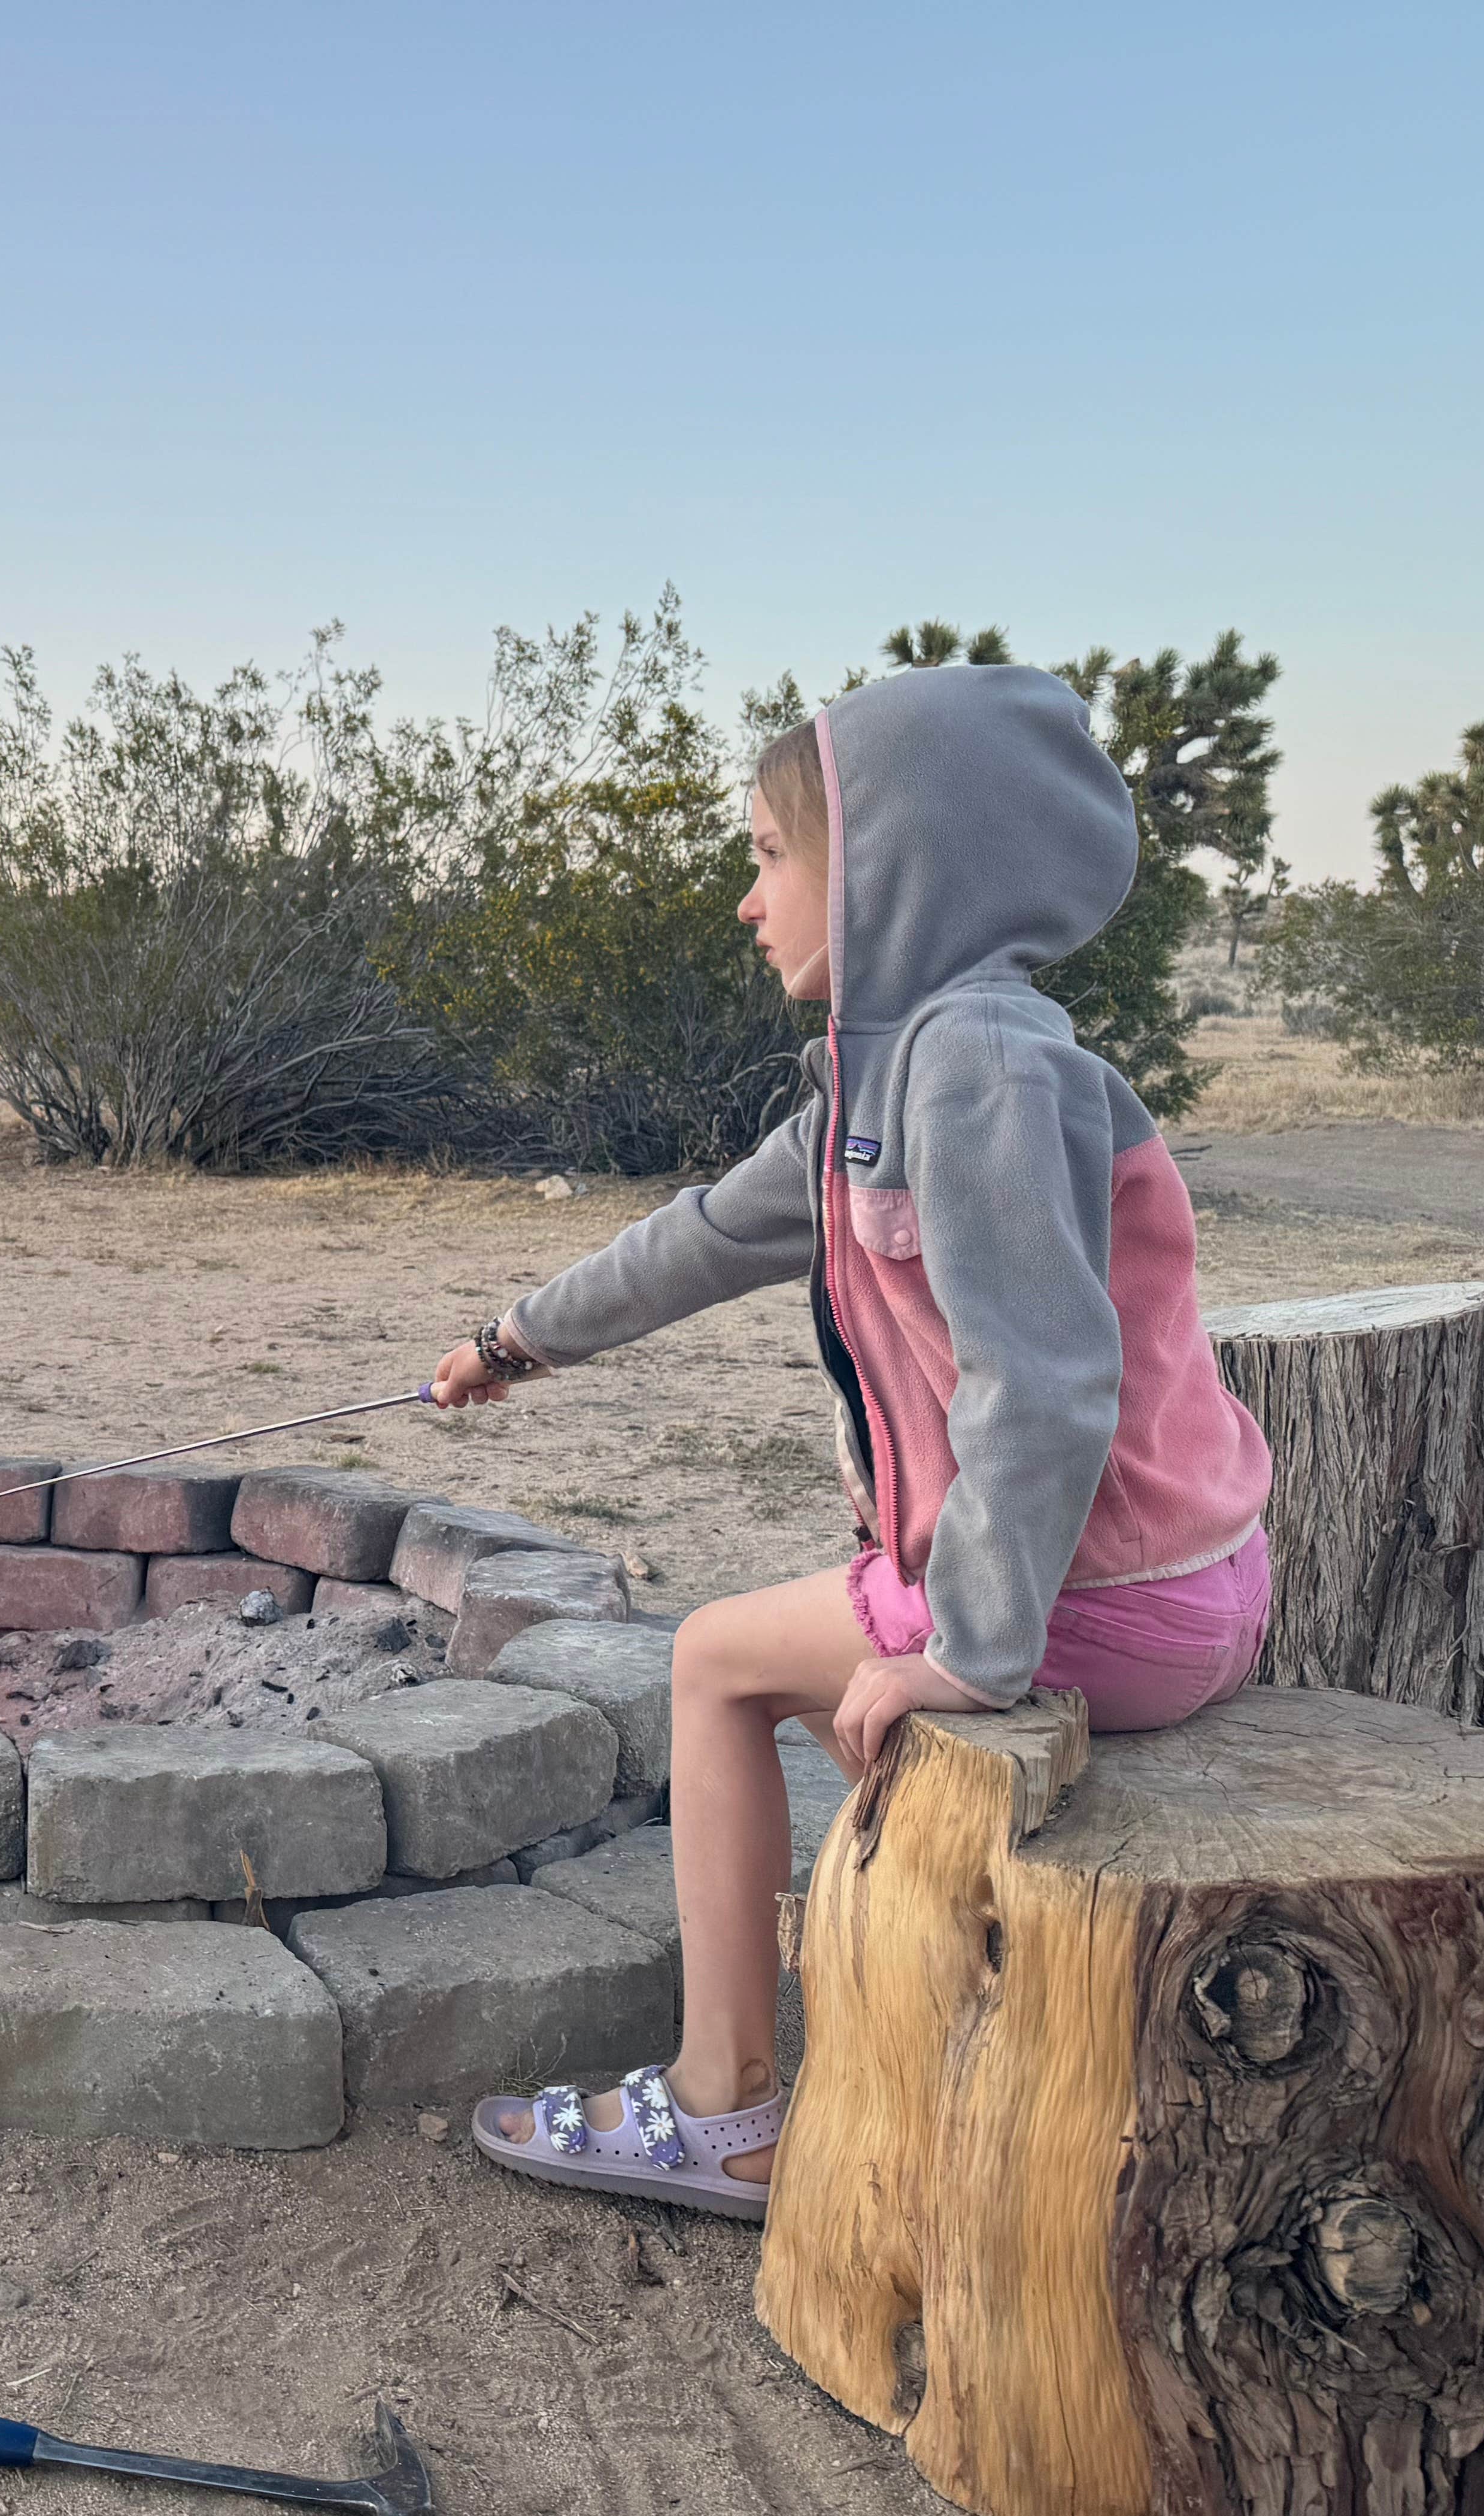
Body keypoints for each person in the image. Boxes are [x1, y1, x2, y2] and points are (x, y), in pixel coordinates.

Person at [435, 662, 1272, 2214]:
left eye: (768, 851)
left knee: (709, 1660)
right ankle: (915, 2041)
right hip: (1158, 1574)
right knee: (827, 1694)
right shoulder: (881, 1084)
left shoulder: (980, 1064)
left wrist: (972, 1646)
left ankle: (719, 2099)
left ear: (884, 860)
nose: (748, 900)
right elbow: (694, 1240)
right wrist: (516, 1342)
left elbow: (1052, 1377)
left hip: (1097, 1592)